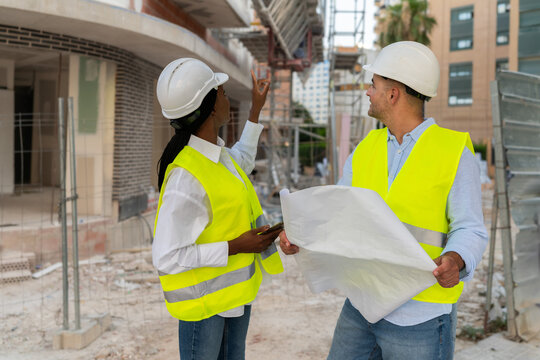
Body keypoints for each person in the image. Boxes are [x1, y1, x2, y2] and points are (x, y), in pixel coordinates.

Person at [280, 41, 488, 359]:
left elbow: (470, 227)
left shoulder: (453, 151)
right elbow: (338, 211)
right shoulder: (367, 147)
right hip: (363, 305)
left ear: (393, 94)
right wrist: (301, 235)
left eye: (373, 85)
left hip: (421, 315)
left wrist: (456, 260)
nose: (367, 91)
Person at [152, 58, 284, 360]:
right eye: (222, 92)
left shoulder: (218, 157)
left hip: (233, 300)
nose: (226, 97)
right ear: (211, 106)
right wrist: (236, 246)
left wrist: (255, 110)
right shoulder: (186, 177)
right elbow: (166, 256)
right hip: (205, 309)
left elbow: (243, 161)